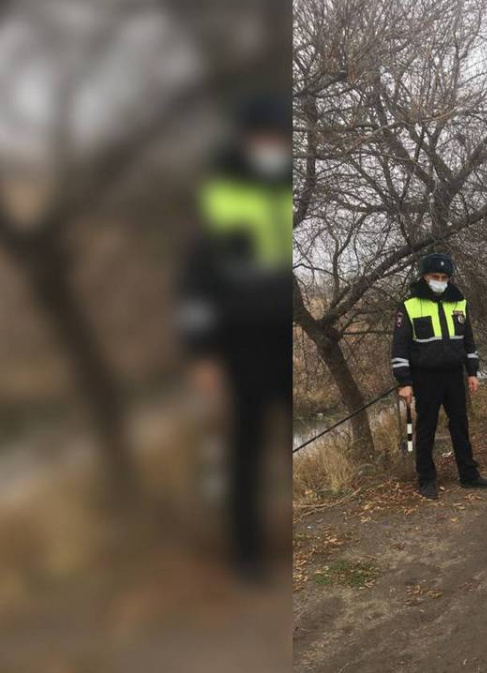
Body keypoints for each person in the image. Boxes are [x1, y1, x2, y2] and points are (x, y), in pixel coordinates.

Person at [179, 93, 292, 581]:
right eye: (265, 137)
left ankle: (290, 536)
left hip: (280, 338)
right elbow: (195, 282)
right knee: (244, 450)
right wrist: (202, 354)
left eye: (278, 137)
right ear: (247, 139)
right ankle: (246, 556)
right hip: (238, 343)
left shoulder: (282, 187)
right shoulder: (219, 192)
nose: (272, 145)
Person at [391, 254, 487, 499]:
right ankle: (426, 480)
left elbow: (468, 340)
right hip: (425, 377)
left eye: (444, 277)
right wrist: (404, 382)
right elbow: (400, 347)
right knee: (426, 428)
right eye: (434, 277)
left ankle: (469, 475)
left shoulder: (459, 302)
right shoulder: (409, 305)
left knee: (460, 425)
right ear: (424, 277)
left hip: (453, 376)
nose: (439, 281)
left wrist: (473, 372)